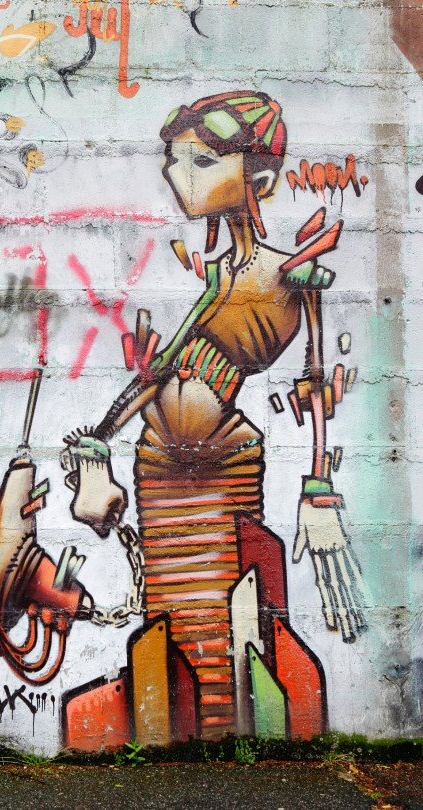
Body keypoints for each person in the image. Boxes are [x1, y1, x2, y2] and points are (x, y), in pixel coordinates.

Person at [62, 91, 366, 740]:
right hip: (157, 469)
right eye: (175, 161)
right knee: (168, 619)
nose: (177, 175)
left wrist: (318, 489)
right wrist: (97, 449)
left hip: (220, 465)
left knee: (229, 614)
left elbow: (314, 382)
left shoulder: (292, 274)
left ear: (259, 179)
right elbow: (160, 373)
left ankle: (232, 735)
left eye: (200, 161)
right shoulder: (216, 275)